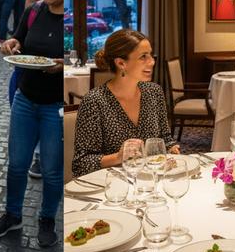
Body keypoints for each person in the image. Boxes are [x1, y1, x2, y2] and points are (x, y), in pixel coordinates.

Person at [0, 0, 65, 247]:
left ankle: (47, 219)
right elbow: (16, 40)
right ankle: (12, 214)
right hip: (25, 98)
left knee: (53, 170)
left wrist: (64, 65)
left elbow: (86, 60)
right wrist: (10, 44)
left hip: (55, 106)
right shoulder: (34, 11)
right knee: (17, 164)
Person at [72, 30, 179, 177]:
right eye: (143, 57)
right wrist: (118, 157)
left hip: (150, 181)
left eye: (150, 54)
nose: (152, 61)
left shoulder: (154, 92)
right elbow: (80, 164)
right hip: (111, 187)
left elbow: (165, 138)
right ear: (121, 63)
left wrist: (171, 148)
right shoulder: (95, 101)